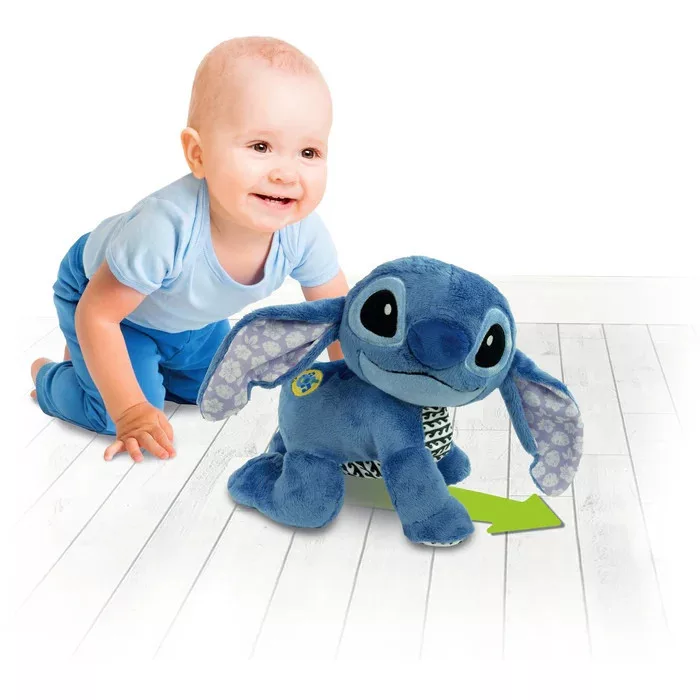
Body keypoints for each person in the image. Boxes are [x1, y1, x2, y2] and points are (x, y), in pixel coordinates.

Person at [30, 36, 349, 463]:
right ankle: (53, 376)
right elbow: (98, 314)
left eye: (308, 152)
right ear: (198, 154)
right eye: (260, 147)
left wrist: (353, 387)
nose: (286, 173)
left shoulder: (301, 232)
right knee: (119, 412)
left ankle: (105, 359)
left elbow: (336, 316)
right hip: (106, 303)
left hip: (185, 320)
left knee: (216, 392)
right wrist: (130, 409)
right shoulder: (165, 228)